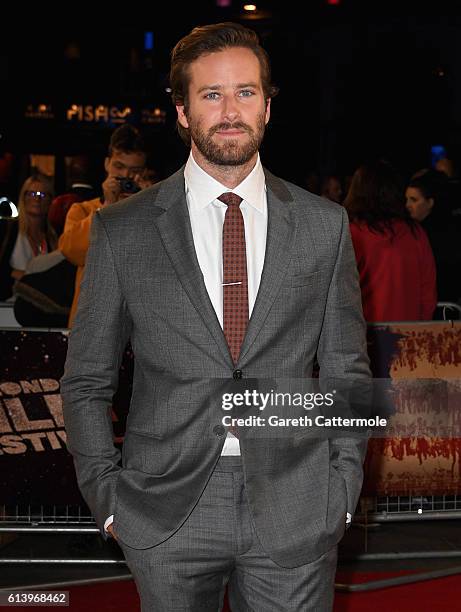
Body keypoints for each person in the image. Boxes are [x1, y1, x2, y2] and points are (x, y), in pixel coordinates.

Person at [61, 22, 371, 611]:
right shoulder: (121, 229)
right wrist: (107, 497)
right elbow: (85, 380)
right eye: (211, 95)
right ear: (181, 111)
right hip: (166, 508)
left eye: (246, 92)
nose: (230, 111)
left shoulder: (323, 224)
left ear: (269, 105)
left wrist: (344, 489)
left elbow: (347, 371)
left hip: (298, 502)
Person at [58, 124, 153, 327]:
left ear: (143, 172)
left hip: (140, 326)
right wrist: (108, 208)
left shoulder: (153, 210)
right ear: (107, 164)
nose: (125, 176)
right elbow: (71, 251)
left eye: (134, 170)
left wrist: (150, 204)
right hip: (92, 324)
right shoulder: (82, 210)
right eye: (119, 167)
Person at [345, 161, 437, 322]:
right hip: (408, 335)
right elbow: (428, 293)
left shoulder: (353, 233)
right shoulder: (415, 232)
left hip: (364, 337)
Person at [406, 169, 461, 304]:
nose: (407, 205)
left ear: (430, 202)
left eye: (414, 200)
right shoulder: (411, 230)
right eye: (406, 199)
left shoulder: (445, 234)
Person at [0, 173, 57, 301]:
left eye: (42, 195)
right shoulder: (8, 229)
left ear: (50, 201)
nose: (37, 199)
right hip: (6, 308)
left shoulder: (53, 238)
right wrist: (26, 277)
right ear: (23, 197)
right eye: (31, 194)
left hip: (40, 309)